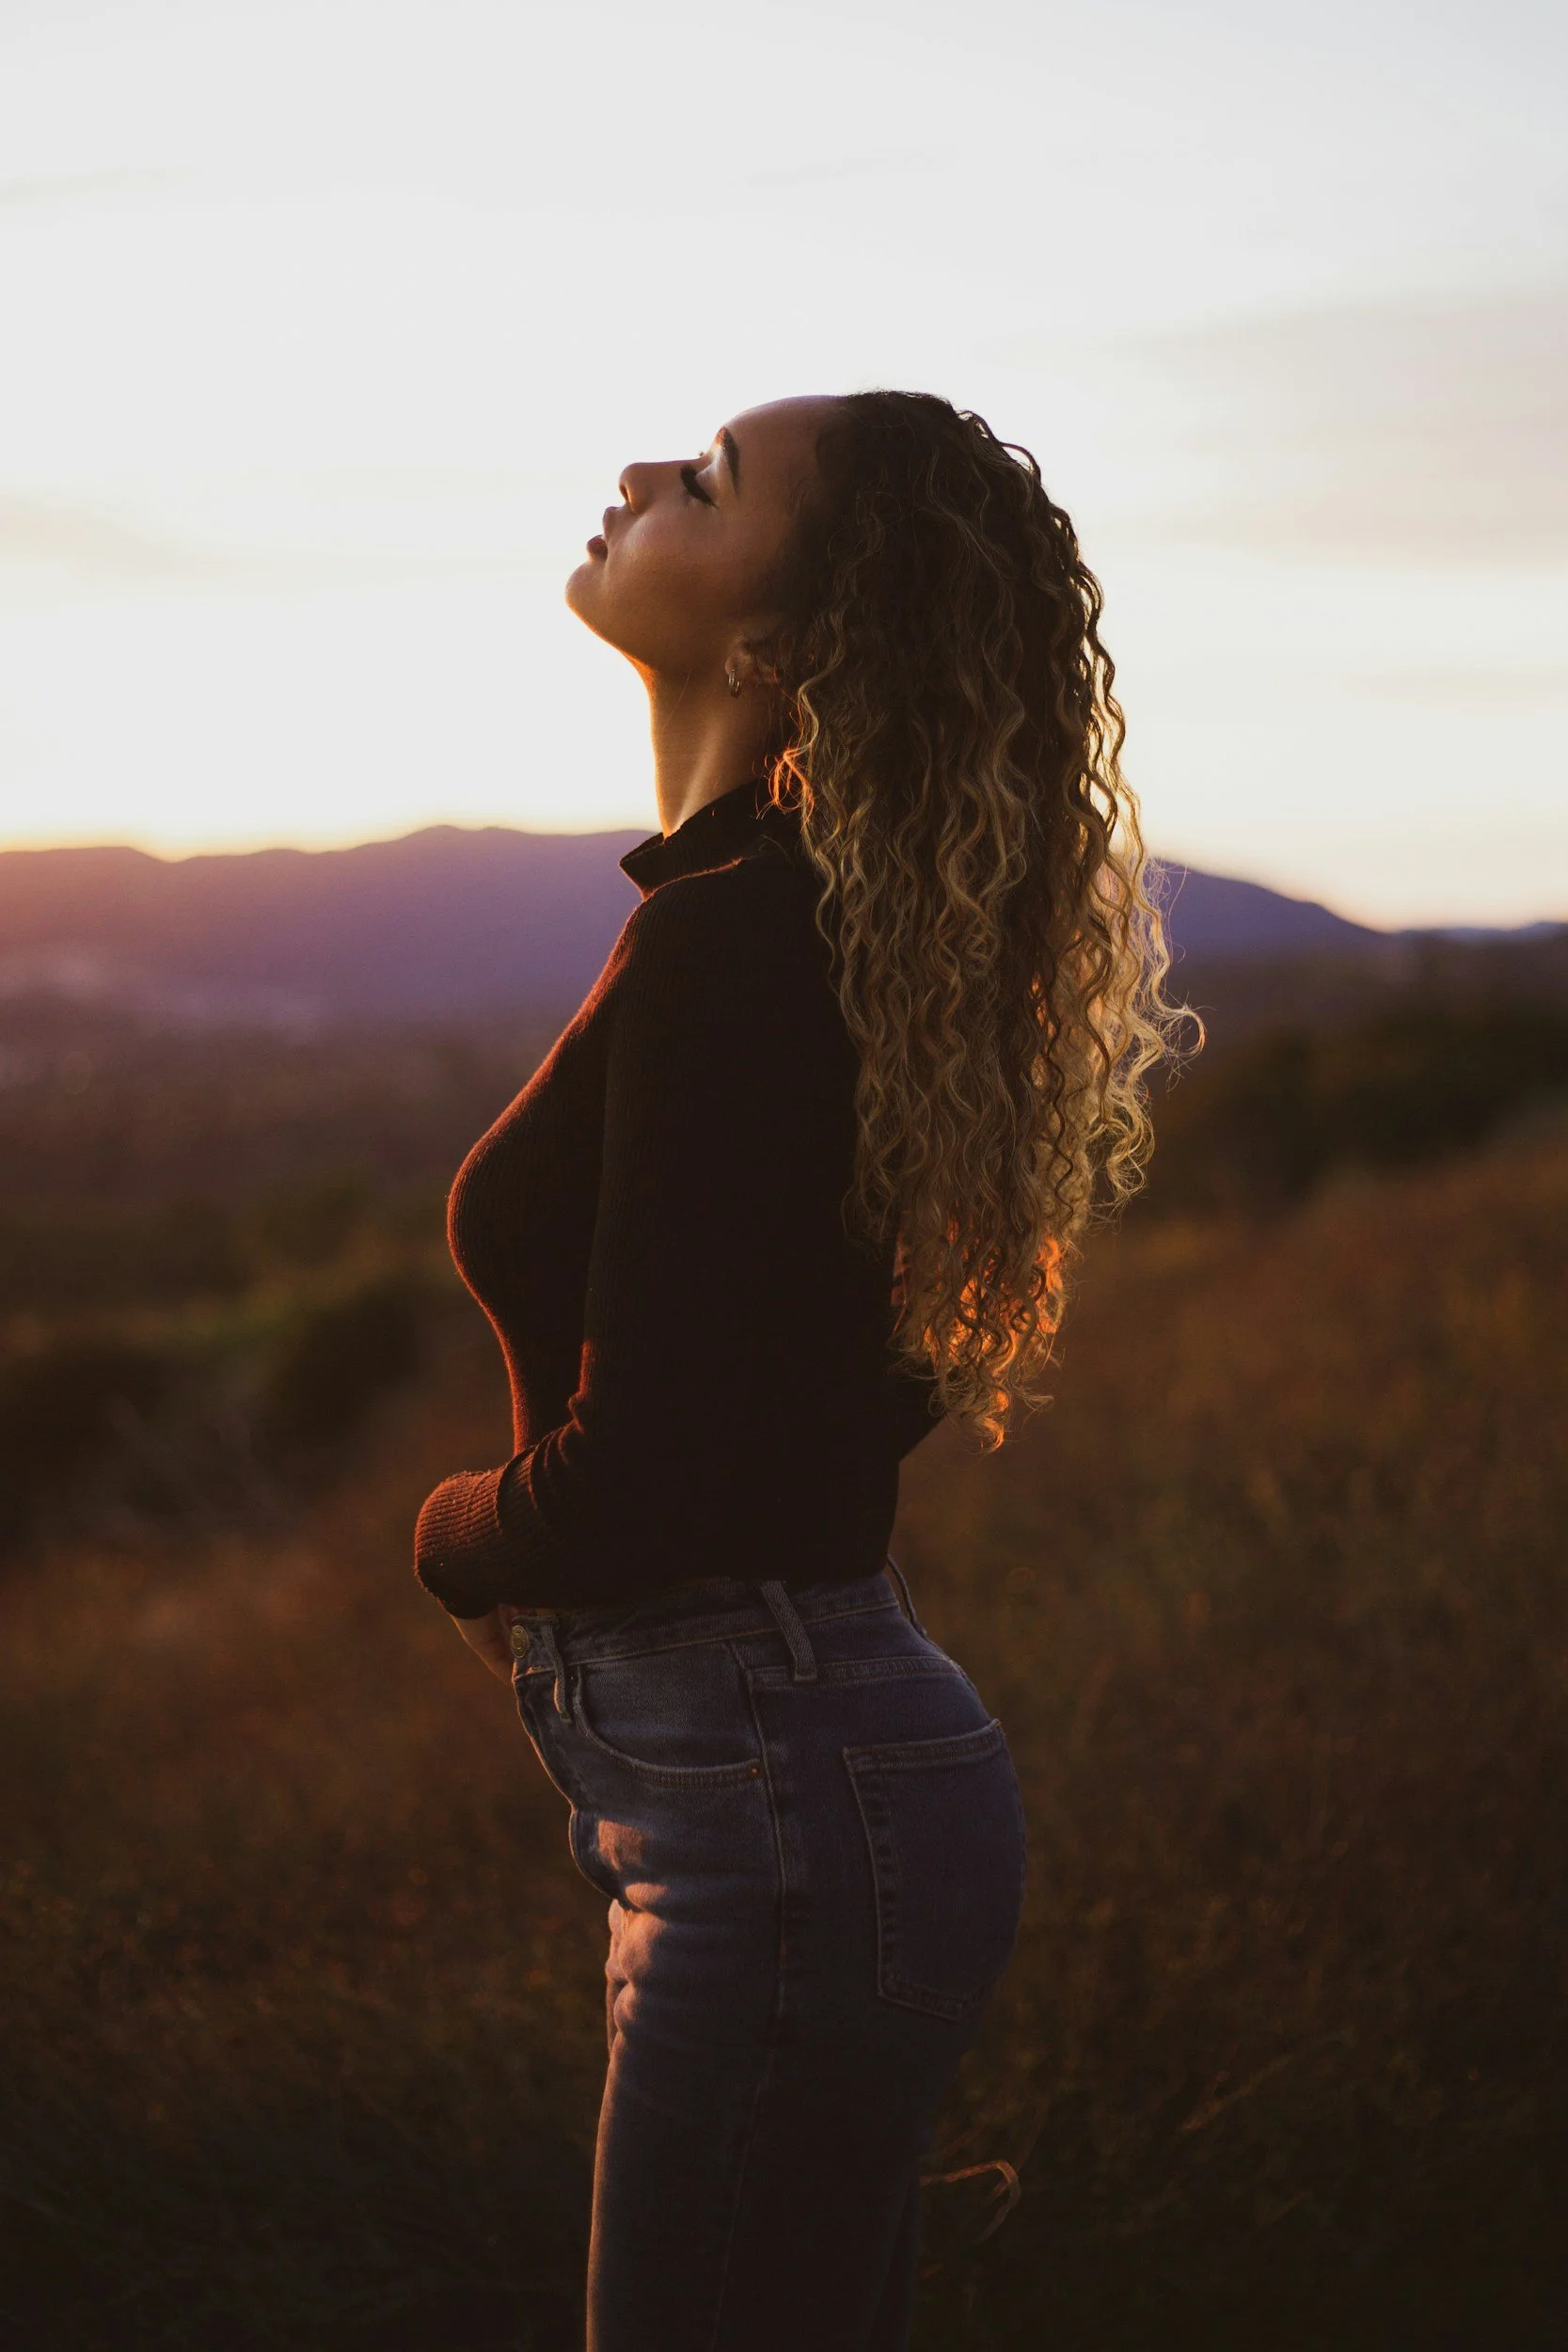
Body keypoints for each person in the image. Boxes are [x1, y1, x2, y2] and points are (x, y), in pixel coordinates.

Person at [411, 389, 1182, 2351]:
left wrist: (451, 1535)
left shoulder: (737, 948)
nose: (639, 474)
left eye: (711, 480)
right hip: (776, 1779)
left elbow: (641, 1474)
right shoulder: (767, 923)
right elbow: (841, 1371)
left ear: (774, 644)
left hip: (773, 1789)